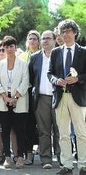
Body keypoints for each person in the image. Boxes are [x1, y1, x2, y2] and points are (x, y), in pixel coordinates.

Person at [47, 19, 86, 175]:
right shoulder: (56, 52)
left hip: (78, 97)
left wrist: (79, 79)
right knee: (63, 134)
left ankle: (83, 165)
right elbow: (49, 73)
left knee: (81, 133)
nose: (65, 34)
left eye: (68, 31)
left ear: (75, 32)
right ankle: (67, 165)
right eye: (63, 32)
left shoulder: (83, 52)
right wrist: (56, 80)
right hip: (60, 97)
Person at [0, 36, 29, 169]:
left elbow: (25, 81)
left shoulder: (23, 64)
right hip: (3, 100)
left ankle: (20, 157)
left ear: (15, 47)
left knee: (20, 129)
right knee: (5, 129)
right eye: (6, 47)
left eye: (11, 46)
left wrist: (15, 97)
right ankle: (7, 157)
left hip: (19, 100)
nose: (9, 49)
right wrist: (6, 97)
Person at [29, 30, 60, 169]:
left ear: (54, 40)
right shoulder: (35, 57)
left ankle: (62, 158)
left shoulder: (60, 55)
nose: (45, 41)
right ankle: (46, 159)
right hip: (41, 98)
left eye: (48, 38)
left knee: (60, 129)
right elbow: (31, 77)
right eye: (43, 38)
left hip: (59, 97)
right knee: (44, 130)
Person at [19, 30, 41, 165]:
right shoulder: (21, 57)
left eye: (34, 39)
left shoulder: (43, 55)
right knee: (28, 124)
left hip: (41, 93)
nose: (32, 41)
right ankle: (28, 153)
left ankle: (46, 152)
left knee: (43, 125)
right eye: (30, 39)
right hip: (25, 93)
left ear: (38, 42)